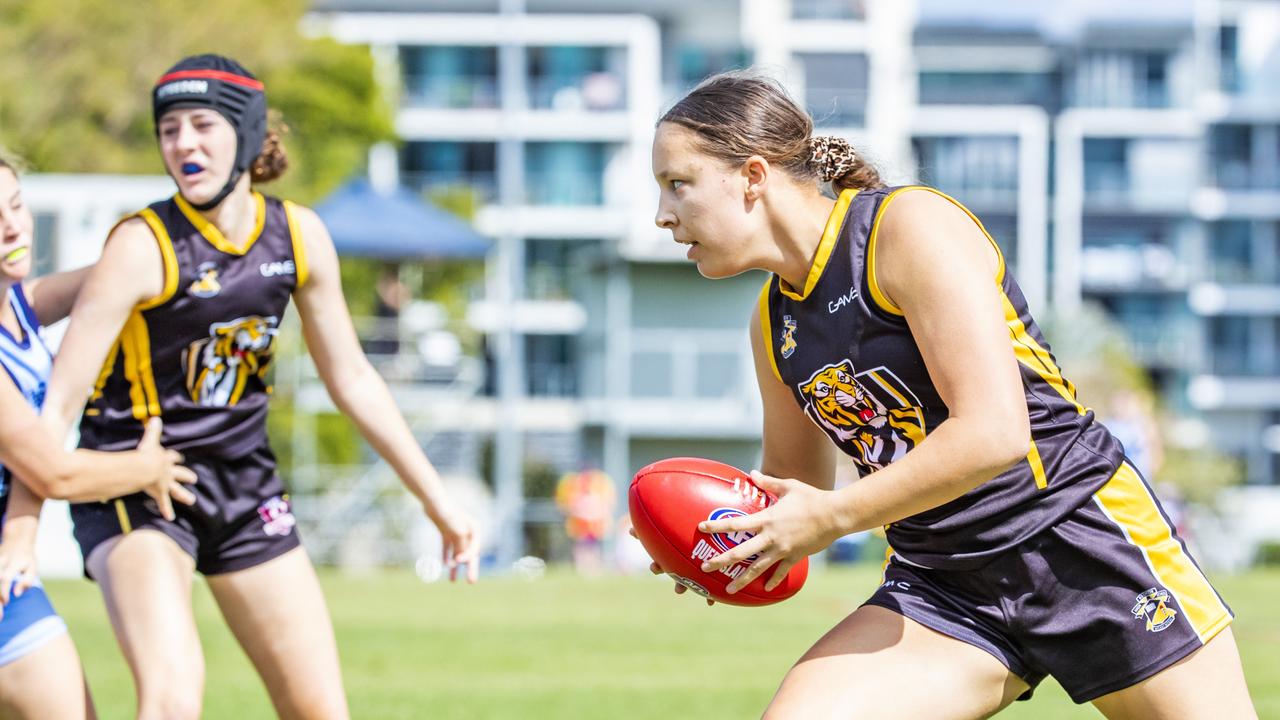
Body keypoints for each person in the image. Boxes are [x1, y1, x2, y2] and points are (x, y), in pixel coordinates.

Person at [648, 72, 1256, 719]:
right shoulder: (773, 325)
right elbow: (794, 497)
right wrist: (714, 541)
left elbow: (994, 433)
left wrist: (830, 516)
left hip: (1080, 542)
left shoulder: (906, 228)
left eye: (676, 184)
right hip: (944, 585)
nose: (662, 215)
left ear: (752, 175)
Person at [38, 55, 479, 720]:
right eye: (169, 129)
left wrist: (436, 499)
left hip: (245, 488)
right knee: (171, 700)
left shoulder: (298, 234)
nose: (183, 142)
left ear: (245, 133)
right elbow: (57, 408)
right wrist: (15, 540)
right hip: (138, 483)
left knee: (320, 711)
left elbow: (354, 380)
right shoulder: (141, 244)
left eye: (202, 125)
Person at [0, 155, 196, 719]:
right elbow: (53, 473)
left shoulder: (20, 303)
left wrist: (197, 233)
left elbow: (120, 271)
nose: (14, 226)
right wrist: (148, 468)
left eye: (17, 205)